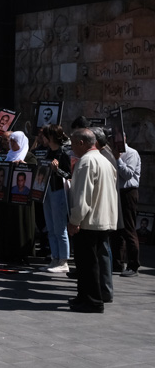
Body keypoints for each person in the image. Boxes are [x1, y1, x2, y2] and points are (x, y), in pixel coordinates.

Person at [67, 128, 118, 313]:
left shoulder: (86, 162)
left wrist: (74, 220)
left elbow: (83, 197)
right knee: (88, 262)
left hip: (90, 221)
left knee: (88, 263)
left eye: (73, 143)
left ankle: (93, 301)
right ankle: (84, 297)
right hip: (102, 219)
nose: (71, 148)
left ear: (81, 143)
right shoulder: (104, 161)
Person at [0, 131, 37, 263]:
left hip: (22, 198)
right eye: (11, 141)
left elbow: (34, 172)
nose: (11, 143)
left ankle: (21, 253)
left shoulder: (29, 156)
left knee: (20, 223)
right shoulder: (9, 155)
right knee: (7, 223)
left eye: (14, 141)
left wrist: (24, 165)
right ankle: (6, 251)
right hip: (8, 197)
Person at [38, 124, 72, 273]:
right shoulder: (47, 152)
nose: (43, 139)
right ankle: (55, 257)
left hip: (58, 191)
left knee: (60, 227)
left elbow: (69, 175)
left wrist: (57, 170)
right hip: (47, 190)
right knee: (50, 227)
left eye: (45, 136)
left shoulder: (63, 153)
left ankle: (64, 260)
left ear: (51, 137)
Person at [111, 134, 142, 277]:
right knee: (117, 229)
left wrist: (118, 159)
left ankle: (133, 264)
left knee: (129, 229)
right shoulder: (112, 153)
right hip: (116, 191)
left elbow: (128, 174)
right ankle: (117, 262)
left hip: (128, 192)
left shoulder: (131, 153)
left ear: (124, 139)